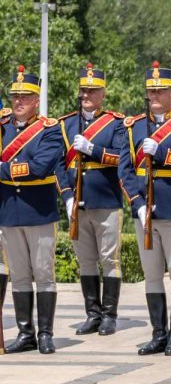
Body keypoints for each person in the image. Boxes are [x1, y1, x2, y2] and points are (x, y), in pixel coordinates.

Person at [118, 62, 171, 356]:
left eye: (160, 91)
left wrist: (163, 153)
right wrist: (138, 205)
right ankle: (158, 333)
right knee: (151, 273)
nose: (154, 95)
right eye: (150, 90)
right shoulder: (132, 127)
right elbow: (124, 170)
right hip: (145, 212)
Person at [56, 63, 127, 338]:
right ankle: (92, 314)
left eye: (92, 90)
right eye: (83, 90)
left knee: (109, 259)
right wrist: (66, 196)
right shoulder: (66, 124)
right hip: (78, 202)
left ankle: (109, 315)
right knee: (85, 260)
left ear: (102, 94)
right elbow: (58, 166)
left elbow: (121, 157)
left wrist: (92, 149)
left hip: (106, 200)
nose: (86, 94)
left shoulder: (116, 123)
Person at [0, 67, 64, 354]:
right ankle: (26, 333)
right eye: (15, 96)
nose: (19, 101)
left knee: (44, 273)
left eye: (25, 96)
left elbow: (40, 167)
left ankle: (46, 333)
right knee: (20, 274)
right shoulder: (2, 128)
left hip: (38, 211)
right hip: (10, 212)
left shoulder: (49, 129)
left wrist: (3, 170)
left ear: (36, 99)